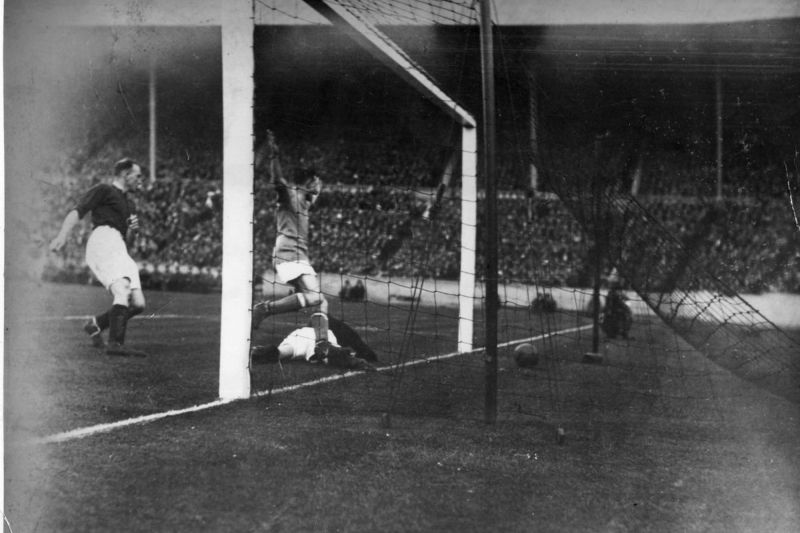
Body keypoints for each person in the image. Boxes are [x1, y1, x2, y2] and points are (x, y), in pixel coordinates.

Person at [49, 158, 149, 357]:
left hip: (119, 245)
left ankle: (96, 324)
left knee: (138, 304)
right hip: (103, 239)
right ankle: (116, 344)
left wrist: (133, 230)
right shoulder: (104, 190)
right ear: (125, 174)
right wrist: (62, 236)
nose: (140, 180)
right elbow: (78, 211)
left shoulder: (130, 204)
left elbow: (128, 239)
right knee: (122, 289)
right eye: (137, 176)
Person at [251, 130, 330, 350]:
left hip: (299, 255)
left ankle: (322, 344)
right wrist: (274, 156)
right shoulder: (291, 195)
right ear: (309, 182)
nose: (319, 187)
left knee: (320, 300)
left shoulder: (305, 203)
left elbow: (313, 193)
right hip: (288, 253)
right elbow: (277, 181)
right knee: (315, 296)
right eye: (317, 183)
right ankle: (265, 309)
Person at [250, 320, 376, 372]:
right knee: (330, 349)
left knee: (283, 351)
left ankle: (259, 353)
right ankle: (337, 354)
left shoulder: (300, 334)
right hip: (320, 336)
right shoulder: (331, 329)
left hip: (301, 337)